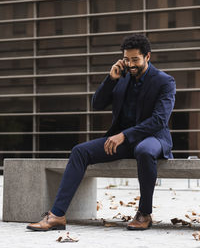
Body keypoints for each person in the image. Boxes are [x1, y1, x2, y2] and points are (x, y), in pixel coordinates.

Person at [27, 34, 176, 231]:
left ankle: (144, 213)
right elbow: (96, 104)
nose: (130, 64)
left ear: (148, 57)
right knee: (80, 151)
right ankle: (57, 215)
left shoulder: (165, 81)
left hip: (153, 138)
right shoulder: (121, 79)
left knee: (145, 151)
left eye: (135, 59)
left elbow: (159, 120)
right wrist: (111, 79)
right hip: (122, 141)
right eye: (127, 59)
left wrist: (124, 135)